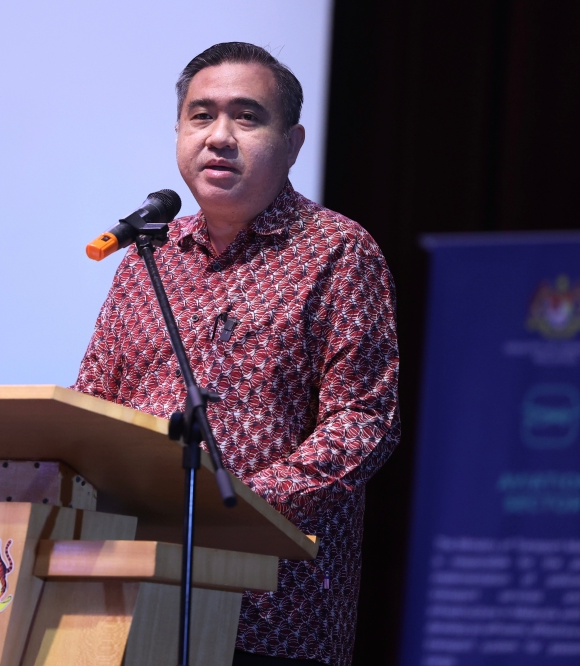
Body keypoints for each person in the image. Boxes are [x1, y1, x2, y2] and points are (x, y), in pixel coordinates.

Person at [72, 42, 400, 666]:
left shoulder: (336, 251)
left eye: (246, 117)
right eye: (201, 115)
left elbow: (363, 425)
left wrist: (235, 510)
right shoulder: (148, 256)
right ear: (178, 131)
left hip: (272, 609)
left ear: (294, 141)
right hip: (131, 597)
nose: (219, 136)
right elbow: (93, 410)